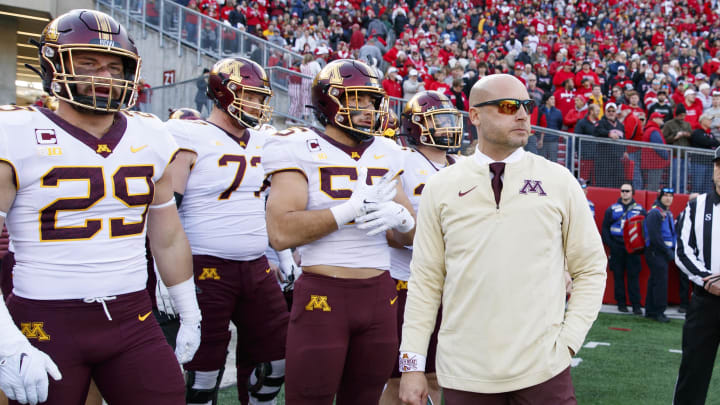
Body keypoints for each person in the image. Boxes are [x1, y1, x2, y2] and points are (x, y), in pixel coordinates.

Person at [0, 9, 201, 404]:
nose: (103, 76)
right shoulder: (15, 132)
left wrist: (188, 309)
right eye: (88, 63)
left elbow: (168, 236)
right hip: (45, 318)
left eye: (114, 66)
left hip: (133, 316)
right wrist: (6, 341)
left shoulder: (151, 133)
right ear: (51, 65)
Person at [398, 74, 607, 405]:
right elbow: (425, 282)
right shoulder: (442, 186)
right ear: (476, 116)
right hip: (465, 371)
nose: (522, 115)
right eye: (509, 106)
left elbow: (592, 268)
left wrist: (569, 340)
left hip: (543, 370)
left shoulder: (558, 180)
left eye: (526, 106)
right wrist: (411, 364)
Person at [263, 59, 416, 405]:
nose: (367, 110)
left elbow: (405, 239)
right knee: (309, 399)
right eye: (356, 100)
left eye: (371, 101)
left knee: (364, 399)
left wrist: (404, 222)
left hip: (380, 293)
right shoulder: (297, 146)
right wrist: (347, 210)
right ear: (328, 101)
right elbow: (281, 232)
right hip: (323, 292)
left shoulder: (388, 152)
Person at [165, 57, 290, 405]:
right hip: (206, 264)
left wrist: (282, 255)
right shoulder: (189, 134)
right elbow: (165, 209)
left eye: (260, 97)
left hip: (256, 265)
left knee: (275, 359)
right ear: (223, 93)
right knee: (202, 371)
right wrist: (163, 270)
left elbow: (268, 205)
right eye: (249, 95)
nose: (257, 104)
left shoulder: (265, 141)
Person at [379, 91, 464, 405]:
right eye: (437, 120)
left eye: (448, 119)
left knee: (436, 374)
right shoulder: (401, 159)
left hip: (450, 283)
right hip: (405, 281)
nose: (446, 127)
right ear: (415, 125)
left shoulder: (465, 164)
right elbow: (393, 232)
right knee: (398, 376)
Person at [673, 147, 720, 404]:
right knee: (694, 370)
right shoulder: (695, 207)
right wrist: (706, 278)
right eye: (718, 165)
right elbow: (682, 250)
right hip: (705, 302)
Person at [601, 184, 647, 314]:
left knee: (634, 277)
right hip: (617, 247)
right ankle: (621, 304)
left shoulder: (640, 210)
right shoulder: (612, 209)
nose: (625, 193)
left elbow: (645, 229)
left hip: (633, 249)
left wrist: (641, 247)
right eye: (622, 191)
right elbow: (605, 228)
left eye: (627, 191)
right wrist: (610, 244)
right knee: (618, 276)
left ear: (633, 192)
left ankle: (636, 305)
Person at [643, 187, 676, 323]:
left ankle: (650, 310)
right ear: (660, 196)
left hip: (660, 253)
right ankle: (659, 312)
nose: (668, 198)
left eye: (671, 196)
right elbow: (655, 237)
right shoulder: (655, 213)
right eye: (666, 195)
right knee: (661, 283)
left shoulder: (666, 213)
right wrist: (668, 252)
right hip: (656, 252)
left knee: (655, 281)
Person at [593, 103, 626, 188]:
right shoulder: (601, 122)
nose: (611, 113)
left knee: (618, 180)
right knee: (604, 181)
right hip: (603, 158)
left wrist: (625, 151)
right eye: (609, 111)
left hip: (617, 158)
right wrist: (608, 133)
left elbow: (624, 139)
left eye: (613, 111)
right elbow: (596, 131)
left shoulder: (620, 125)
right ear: (605, 112)